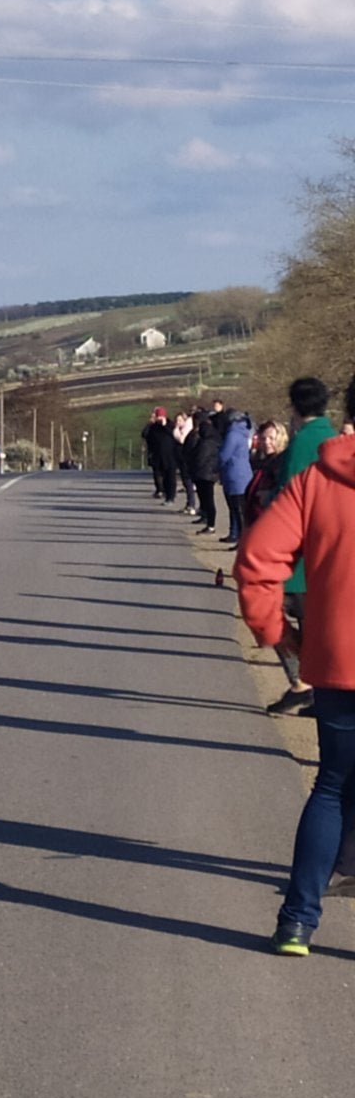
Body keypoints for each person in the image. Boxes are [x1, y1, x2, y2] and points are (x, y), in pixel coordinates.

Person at [235, 377, 355, 955]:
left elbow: (257, 559)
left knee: (331, 785)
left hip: (337, 661)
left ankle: (297, 922)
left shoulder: (317, 480)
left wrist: (277, 634)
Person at [266, 377, 337, 717]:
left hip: (299, 555)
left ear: (294, 406)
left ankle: (301, 684)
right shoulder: (333, 437)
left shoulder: (301, 443)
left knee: (271, 614)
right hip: (329, 548)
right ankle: (319, 693)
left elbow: (287, 499)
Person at [218, 408, 254, 546]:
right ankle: (236, 535)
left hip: (234, 474)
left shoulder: (232, 434)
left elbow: (224, 455)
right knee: (238, 509)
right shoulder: (243, 432)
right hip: (243, 472)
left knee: (237, 509)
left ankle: (240, 538)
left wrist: (216, 464)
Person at [185, 409, 220, 535]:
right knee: (204, 498)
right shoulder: (208, 438)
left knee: (208, 499)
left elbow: (198, 456)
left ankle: (211, 524)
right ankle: (206, 518)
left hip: (205, 473)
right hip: (205, 473)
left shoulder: (206, 441)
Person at [144, 408, 178, 506]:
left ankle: (171, 497)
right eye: (157, 416)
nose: (159, 419)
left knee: (170, 478)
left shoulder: (170, 425)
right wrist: (149, 424)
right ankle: (164, 493)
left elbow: (174, 435)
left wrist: (164, 425)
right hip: (157, 456)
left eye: (160, 416)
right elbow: (145, 435)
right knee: (161, 477)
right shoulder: (153, 426)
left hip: (170, 456)